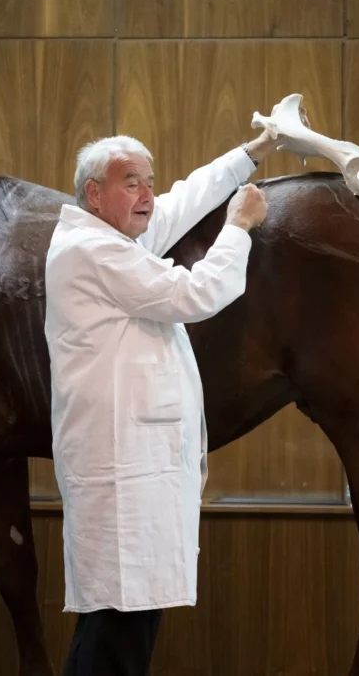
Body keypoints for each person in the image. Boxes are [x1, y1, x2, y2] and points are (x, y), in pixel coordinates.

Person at [44, 116, 283, 675]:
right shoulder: (93, 251)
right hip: (122, 472)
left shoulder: (109, 235)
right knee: (117, 636)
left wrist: (251, 152)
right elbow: (194, 293)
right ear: (94, 195)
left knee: (116, 629)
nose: (148, 194)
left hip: (137, 470)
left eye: (149, 180)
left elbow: (180, 201)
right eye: (133, 183)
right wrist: (240, 227)